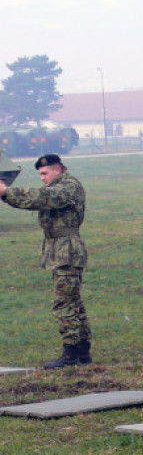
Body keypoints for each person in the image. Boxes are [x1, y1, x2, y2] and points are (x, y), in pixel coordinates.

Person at [0, 154, 92, 368]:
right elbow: (38, 198)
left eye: (44, 173)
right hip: (59, 250)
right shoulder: (59, 185)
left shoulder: (69, 187)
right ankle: (82, 351)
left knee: (64, 303)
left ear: (57, 169)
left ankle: (71, 354)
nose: (42, 178)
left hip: (67, 251)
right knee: (74, 303)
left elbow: (42, 198)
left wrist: (6, 192)